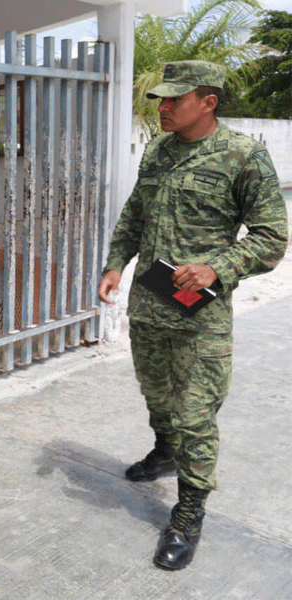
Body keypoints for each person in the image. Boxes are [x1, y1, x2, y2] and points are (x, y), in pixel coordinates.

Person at [98, 61, 288, 571]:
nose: (162, 107)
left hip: (200, 315)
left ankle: (189, 508)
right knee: (156, 393)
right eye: (160, 99)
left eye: (173, 99)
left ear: (209, 102)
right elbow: (136, 212)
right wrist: (116, 263)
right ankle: (164, 451)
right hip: (151, 300)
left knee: (196, 415)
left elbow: (273, 238)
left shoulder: (244, 155)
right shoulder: (159, 150)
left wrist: (216, 267)